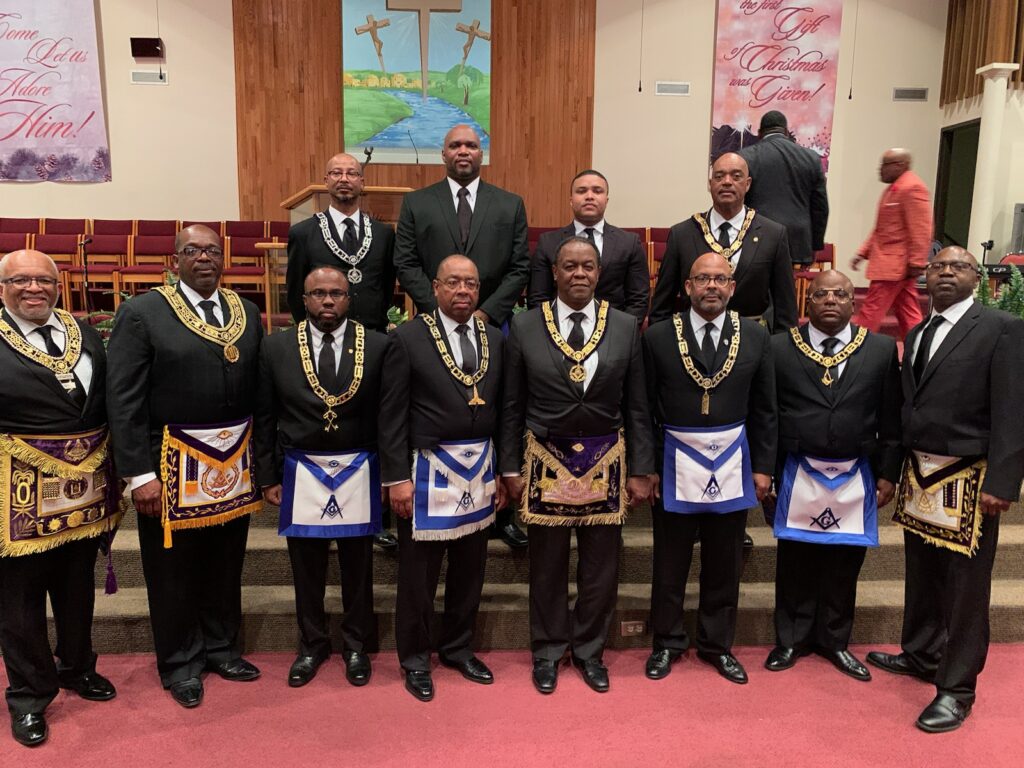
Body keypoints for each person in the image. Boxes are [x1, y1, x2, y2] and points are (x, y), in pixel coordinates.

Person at [106, 225, 264, 708]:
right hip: (169, 463)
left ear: (224, 258)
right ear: (174, 261)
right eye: (192, 250)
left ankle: (222, 648)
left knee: (225, 562)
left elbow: (258, 388)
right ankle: (180, 663)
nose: (204, 258)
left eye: (212, 250)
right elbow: (123, 398)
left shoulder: (246, 311)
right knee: (172, 571)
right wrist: (139, 474)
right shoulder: (142, 313)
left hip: (233, 463)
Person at [869, 246, 1024, 733]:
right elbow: (906, 409)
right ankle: (921, 654)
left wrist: (1004, 481)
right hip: (921, 474)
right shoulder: (918, 332)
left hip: (971, 479)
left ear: (976, 277)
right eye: (938, 266)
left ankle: (957, 689)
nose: (946, 273)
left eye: (958, 266)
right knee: (923, 574)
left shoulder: (1001, 328)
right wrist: (891, 469)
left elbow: (1013, 410)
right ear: (926, 277)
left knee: (965, 591)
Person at [501, 236, 654, 695]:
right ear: (555, 273)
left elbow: (638, 405)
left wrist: (642, 468)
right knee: (546, 566)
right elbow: (512, 405)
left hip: (606, 462)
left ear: (599, 272)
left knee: (600, 568)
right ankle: (548, 650)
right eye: (569, 266)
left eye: (588, 266)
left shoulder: (625, 325)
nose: (579, 274)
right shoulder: (525, 325)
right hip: (546, 460)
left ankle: (590, 651)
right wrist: (508, 467)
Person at [0, 250, 119, 748]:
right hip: (16, 493)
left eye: (44, 280)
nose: (34, 288)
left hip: (85, 489)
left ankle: (77, 666)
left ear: (57, 284)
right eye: (21, 280)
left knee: (77, 586)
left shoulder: (82, 332)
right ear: (2, 287)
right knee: (20, 600)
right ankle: (30, 695)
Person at [643, 252, 775, 686]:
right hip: (673, 464)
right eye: (703, 278)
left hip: (733, 463)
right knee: (670, 561)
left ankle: (717, 645)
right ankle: (666, 641)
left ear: (732, 288)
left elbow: (766, 408)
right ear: (687, 287)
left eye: (720, 279)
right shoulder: (658, 336)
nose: (712, 286)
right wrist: (647, 466)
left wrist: (764, 467)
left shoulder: (755, 336)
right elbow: (642, 408)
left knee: (724, 560)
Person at [395, 123, 529, 549]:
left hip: (491, 324)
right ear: (444, 154)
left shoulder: (509, 204)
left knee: (494, 409)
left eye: (471, 145)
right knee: (438, 407)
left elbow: (519, 268)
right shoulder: (417, 203)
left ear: (481, 153)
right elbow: (406, 262)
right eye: (455, 145)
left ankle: (500, 512)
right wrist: (441, 310)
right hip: (432, 328)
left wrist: (483, 313)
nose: (464, 151)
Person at [379, 255, 506, 702]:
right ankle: (415, 658)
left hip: (479, 468)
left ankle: (457, 647)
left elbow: (504, 409)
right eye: (453, 282)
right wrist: (396, 477)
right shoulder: (408, 338)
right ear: (435, 287)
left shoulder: (494, 338)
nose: (463, 291)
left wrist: (504, 470)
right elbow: (391, 413)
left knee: (470, 569)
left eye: (471, 283)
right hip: (426, 470)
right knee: (419, 574)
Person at [255, 266, 388, 688]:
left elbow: (388, 417)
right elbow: (265, 416)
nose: (327, 300)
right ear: (303, 299)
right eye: (318, 293)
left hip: (359, 468)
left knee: (358, 566)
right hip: (301, 470)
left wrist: (389, 476)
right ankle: (311, 645)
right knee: (306, 567)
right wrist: (267, 475)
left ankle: (356, 645)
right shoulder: (276, 347)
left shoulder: (378, 346)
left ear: (349, 299)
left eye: (336, 293)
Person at [766, 270, 902, 681]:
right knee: (795, 559)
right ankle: (791, 639)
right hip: (797, 470)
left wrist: (889, 471)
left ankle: (835, 641)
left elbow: (891, 417)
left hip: (855, 472)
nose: (830, 300)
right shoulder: (779, 347)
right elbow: (767, 415)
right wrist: (766, 470)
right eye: (821, 293)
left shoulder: (879, 349)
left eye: (840, 294)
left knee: (845, 561)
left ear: (852, 302)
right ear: (807, 302)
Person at [285, 151, 398, 551]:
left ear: (362, 182)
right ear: (326, 181)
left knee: (374, 425)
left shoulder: (383, 234)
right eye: (336, 172)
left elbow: (386, 287)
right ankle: (318, 503)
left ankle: (376, 516)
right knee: (326, 422)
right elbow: (295, 292)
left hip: (371, 343)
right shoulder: (304, 233)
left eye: (352, 173)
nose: (344, 178)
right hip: (323, 342)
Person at [649, 152, 798, 333]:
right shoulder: (682, 234)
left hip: (751, 339)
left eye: (736, 176)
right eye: (719, 176)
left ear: (748, 184)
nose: (727, 182)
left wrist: (781, 347)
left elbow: (786, 308)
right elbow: (662, 305)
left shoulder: (773, 234)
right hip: (693, 340)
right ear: (710, 184)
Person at [527, 169, 649, 323]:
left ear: (606, 200)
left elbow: (639, 299)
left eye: (597, 191)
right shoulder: (548, 242)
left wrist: (621, 332)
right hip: (558, 329)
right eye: (581, 191)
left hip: (614, 329)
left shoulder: (629, 243)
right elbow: (538, 298)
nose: (589, 196)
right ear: (571, 200)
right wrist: (554, 331)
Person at [851, 148, 933, 338]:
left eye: (885, 165)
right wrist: (862, 253)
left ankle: (856, 346)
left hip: (894, 266)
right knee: (908, 312)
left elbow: (922, 228)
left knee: (871, 312)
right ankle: (919, 346)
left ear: (900, 165)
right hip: (893, 264)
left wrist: (917, 262)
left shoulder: (913, 187)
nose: (880, 169)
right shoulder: (894, 188)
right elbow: (881, 229)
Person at [739, 110, 829, 266]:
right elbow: (820, 207)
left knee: (755, 282)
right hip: (797, 241)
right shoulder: (811, 158)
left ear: (759, 133)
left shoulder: (745, 157)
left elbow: (737, 202)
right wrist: (815, 245)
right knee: (788, 282)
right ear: (786, 132)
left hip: (756, 237)